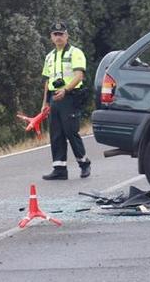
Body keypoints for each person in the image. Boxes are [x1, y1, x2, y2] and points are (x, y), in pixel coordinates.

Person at [41, 21, 91, 180]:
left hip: (70, 96)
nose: (58, 37)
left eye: (61, 34)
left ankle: (84, 163)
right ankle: (59, 169)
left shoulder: (75, 53)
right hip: (55, 97)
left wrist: (66, 90)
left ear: (67, 35)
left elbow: (79, 75)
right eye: (55, 34)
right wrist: (45, 103)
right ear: (51, 37)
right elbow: (47, 81)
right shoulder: (49, 56)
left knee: (70, 131)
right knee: (56, 134)